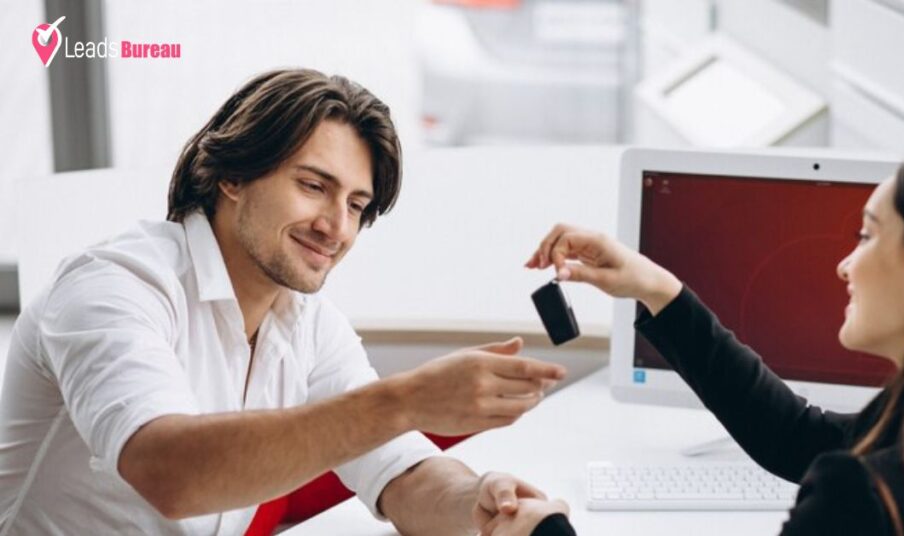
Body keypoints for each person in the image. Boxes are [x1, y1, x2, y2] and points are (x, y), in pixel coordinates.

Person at [0, 69, 566, 534]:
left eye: (356, 205)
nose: (335, 227)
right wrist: (405, 399)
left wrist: (480, 506)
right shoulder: (113, 286)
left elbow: (401, 473)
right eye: (314, 186)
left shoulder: (309, 326)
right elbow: (170, 474)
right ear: (233, 177)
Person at [493, 150, 904, 536]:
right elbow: (800, 437)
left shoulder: (863, 498)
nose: (845, 265)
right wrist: (656, 289)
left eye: (866, 236)